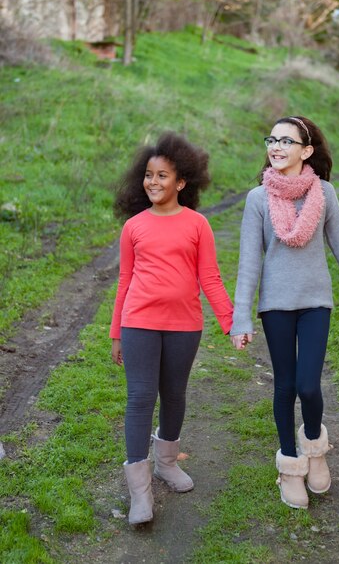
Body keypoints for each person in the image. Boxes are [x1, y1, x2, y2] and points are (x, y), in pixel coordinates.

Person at [230, 116, 339, 510]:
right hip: (276, 306)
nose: (276, 147)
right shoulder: (257, 199)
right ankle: (290, 466)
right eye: (271, 140)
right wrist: (242, 318)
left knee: (309, 386)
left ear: (307, 150)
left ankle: (315, 447)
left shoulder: (325, 194)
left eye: (286, 141)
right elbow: (249, 262)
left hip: (316, 303)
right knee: (284, 387)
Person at [110, 131, 233, 525]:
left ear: (181, 182)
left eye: (162, 176)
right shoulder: (134, 227)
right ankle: (140, 491)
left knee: (175, 395)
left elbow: (210, 278)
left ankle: (166, 463)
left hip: (184, 325)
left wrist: (231, 321)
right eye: (149, 175)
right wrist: (116, 332)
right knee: (141, 398)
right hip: (139, 323)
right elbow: (124, 280)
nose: (153, 182)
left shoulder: (198, 224)